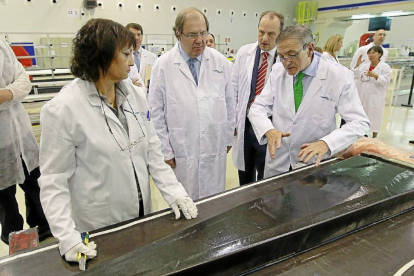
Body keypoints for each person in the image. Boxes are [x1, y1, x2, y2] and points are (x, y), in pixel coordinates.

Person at [38, 19, 197, 263]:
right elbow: (53, 182)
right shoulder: (62, 110)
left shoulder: (134, 95)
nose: (132, 62)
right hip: (100, 229)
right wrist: (68, 238)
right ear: (101, 56)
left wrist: (175, 193)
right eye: (126, 54)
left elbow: (152, 152)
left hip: (143, 218)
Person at [248, 25, 370, 178]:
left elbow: (360, 122)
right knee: (274, 200)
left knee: (309, 200)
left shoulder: (338, 75)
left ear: (310, 49)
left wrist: (327, 143)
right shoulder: (278, 71)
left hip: (313, 161)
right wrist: (268, 130)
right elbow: (257, 107)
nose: (286, 62)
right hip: (279, 159)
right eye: (281, 56)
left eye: (292, 55)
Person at [148, 7, 235, 200]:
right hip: (181, 150)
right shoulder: (163, 65)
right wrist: (165, 150)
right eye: (192, 34)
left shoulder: (220, 62)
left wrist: (228, 139)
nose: (200, 40)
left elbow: (230, 103)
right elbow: (156, 113)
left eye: (203, 33)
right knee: (185, 204)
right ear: (178, 35)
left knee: (214, 204)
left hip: (215, 146)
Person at [0, 38, 51, 245]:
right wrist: (11, 93)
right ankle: (13, 238)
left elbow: (24, 81)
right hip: (1, 140)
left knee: (34, 183)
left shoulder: (2, 44)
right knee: (4, 195)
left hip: (21, 133)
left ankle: (43, 229)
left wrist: (5, 93)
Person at [232, 11, 284, 185]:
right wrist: (233, 121)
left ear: (280, 35)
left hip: (270, 126)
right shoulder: (244, 53)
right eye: (261, 32)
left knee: (265, 177)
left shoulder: (284, 60)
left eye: (271, 34)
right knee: (244, 176)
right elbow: (234, 89)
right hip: (245, 126)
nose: (264, 38)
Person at [352, 46, 391, 138]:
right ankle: (360, 134)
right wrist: (357, 65)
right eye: (369, 53)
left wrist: (376, 76)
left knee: (375, 115)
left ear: (380, 54)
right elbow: (356, 75)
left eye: (374, 52)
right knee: (361, 114)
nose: (370, 55)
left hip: (375, 95)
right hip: (363, 93)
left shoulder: (385, 67)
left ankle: (374, 137)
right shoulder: (365, 66)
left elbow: (386, 81)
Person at [126, 23, 157, 88]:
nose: (136, 37)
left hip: (147, 94)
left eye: (139, 34)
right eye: (133, 35)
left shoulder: (152, 57)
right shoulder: (123, 57)